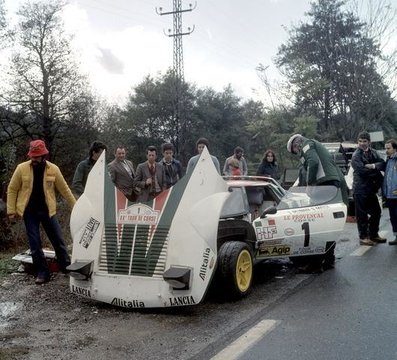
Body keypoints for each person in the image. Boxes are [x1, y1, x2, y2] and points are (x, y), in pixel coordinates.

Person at [7, 140, 76, 284]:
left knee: (58, 241)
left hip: (48, 211)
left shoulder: (53, 169)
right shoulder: (21, 168)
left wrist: (75, 206)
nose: (34, 159)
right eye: (32, 156)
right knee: (35, 244)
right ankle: (42, 272)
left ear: (44, 155)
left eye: (37, 156)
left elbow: (65, 190)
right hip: (29, 212)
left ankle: (67, 268)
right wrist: (11, 211)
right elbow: (12, 189)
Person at [351, 131, 386, 246]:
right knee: (362, 215)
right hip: (360, 189)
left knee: (377, 212)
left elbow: (382, 164)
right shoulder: (356, 155)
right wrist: (375, 171)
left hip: (370, 188)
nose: (362, 143)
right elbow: (362, 171)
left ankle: (373, 234)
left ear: (369, 142)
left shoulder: (374, 152)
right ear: (358, 142)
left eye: (364, 141)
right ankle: (364, 237)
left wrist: (372, 166)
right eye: (360, 141)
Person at [383, 139, 397, 245]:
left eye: (388, 148)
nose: (386, 150)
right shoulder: (388, 160)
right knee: (393, 216)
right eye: (385, 148)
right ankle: (396, 236)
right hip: (390, 194)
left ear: (395, 148)